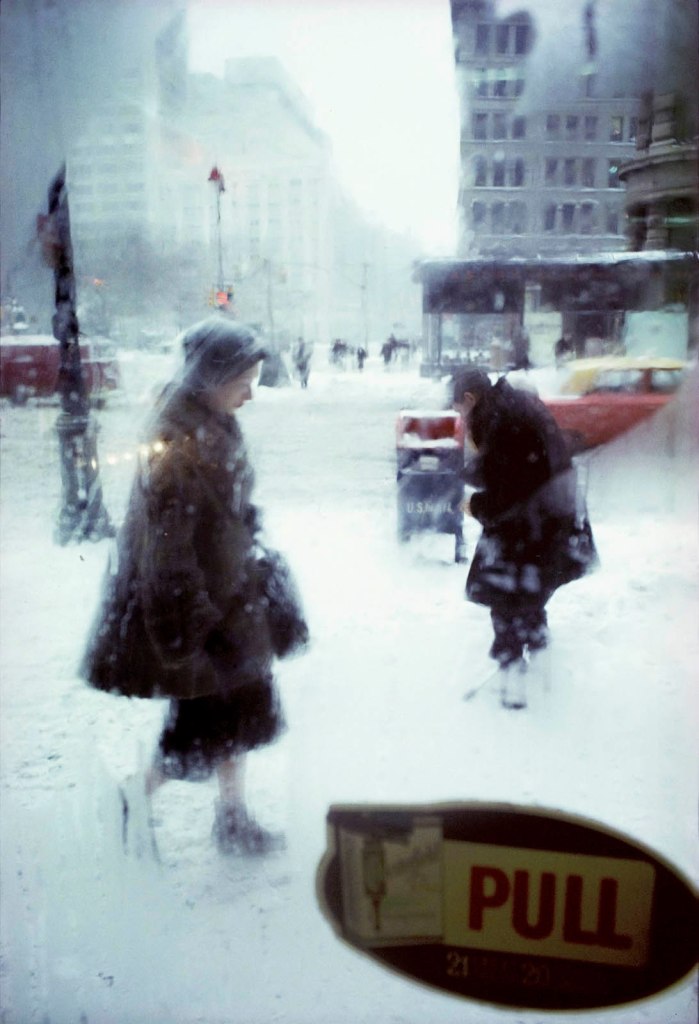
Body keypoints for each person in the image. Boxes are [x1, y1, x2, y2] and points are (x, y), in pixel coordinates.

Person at [82, 316, 300, 855]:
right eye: (242, 381)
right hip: (201, 606)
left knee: (237, 712)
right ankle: (133, 798)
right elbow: (166, 549)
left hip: (229, 595)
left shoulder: (214, 419)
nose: (251, 394)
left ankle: (231, 818)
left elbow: (223, 504)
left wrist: (247, 525)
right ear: (211, 378)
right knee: (201, 725)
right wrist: (201, 626)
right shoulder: (173, 437)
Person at [452, 368, 598, 708]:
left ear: (470, 400)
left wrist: (474, 505)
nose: (460, 417)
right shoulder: (509, 405)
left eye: (459, 408)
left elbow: (509, 492)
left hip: (532, 524)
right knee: (528, 589)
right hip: (552, 518)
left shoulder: (497, 420)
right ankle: (542, 659)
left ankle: (512, 676)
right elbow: (514, 466)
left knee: (503, 593)